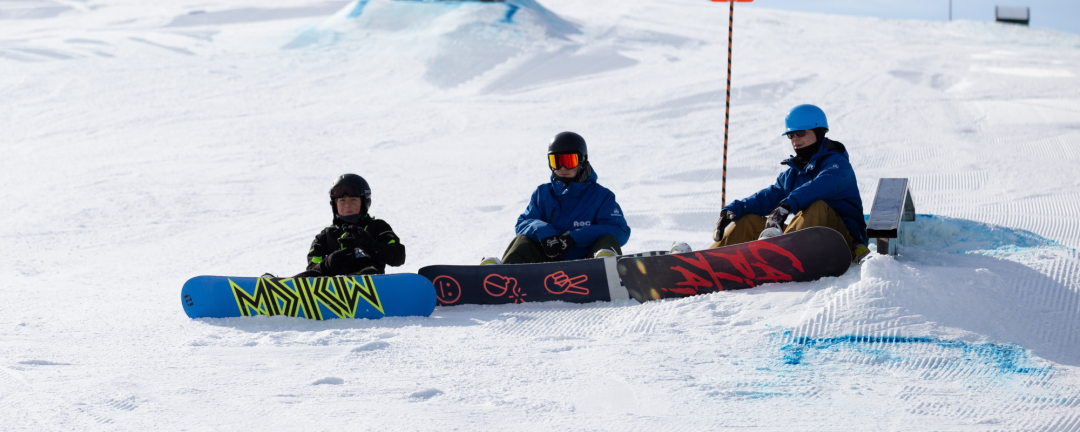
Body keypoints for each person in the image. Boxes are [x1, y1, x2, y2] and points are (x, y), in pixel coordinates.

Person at [710, 104, 870, 262]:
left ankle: (779, 257)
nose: (795, 139)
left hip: (845, 243)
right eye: (790, 135)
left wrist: (786, 206)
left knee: (817, 206)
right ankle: (709, 262)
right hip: (809, 242)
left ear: (819, 131)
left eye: (800, 132)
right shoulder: (793, 173)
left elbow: (818, 187)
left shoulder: (838, 164)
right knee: (748, 220)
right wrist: (733, 209)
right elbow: (767, 197)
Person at [482, 132, 631, 265]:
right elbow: (523, 223)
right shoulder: (542, 193)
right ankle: (502, 278)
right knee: (522, 240)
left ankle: (606, 267)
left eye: (569, 161)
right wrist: (546, 234)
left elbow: (619, 230)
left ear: (583, 161)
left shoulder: (602, 196)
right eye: (556, 161)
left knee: (609, 239)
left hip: (587, 265)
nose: (562, 167)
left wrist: (576, 237)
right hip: (546, 264)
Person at [295, 174, 406, 277]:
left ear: (363, 203)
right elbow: (312, 268)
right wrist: (327, 265)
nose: (347, 205)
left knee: (369, 272)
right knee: (307, 275)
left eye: (353, 200)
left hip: (373, 290)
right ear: (335, 205)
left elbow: (399, 256)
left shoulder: (378, 227)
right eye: (342, 201)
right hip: (332, 292)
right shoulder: (325, 235)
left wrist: (371, 246)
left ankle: (363, 278)